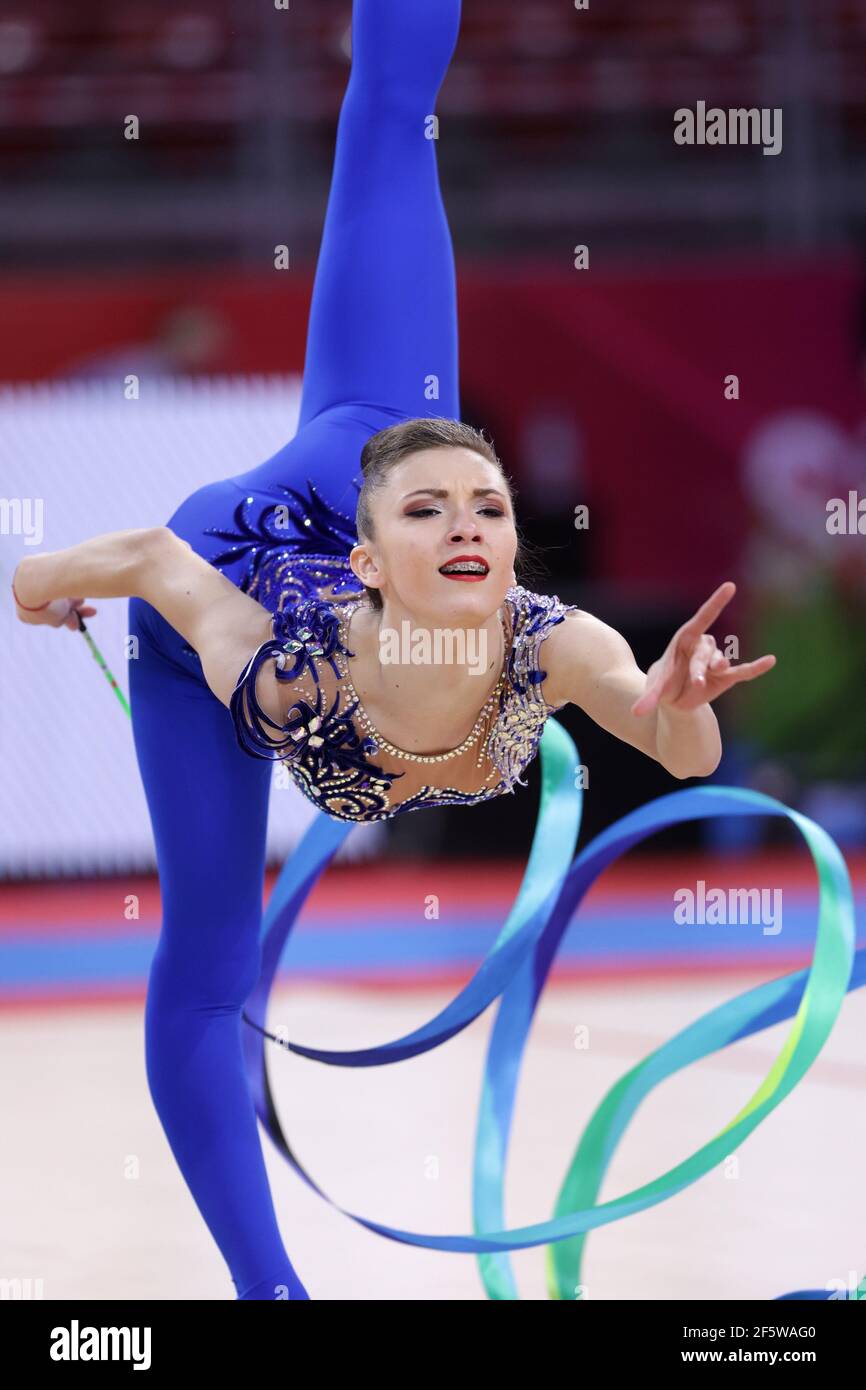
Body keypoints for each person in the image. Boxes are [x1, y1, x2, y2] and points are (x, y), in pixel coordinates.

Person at [11, 0, 775, 1301]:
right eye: (438, 515)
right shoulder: (284, 660)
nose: (471, 525)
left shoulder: (553, 643)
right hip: (216, 561)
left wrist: (678, 698)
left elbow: (681, 753)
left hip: (377, 427)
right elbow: (148, 560)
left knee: (391, 119)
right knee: (207, 956)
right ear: (374, 561)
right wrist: (39, 579)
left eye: (488, 509)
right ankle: (271, 1289)